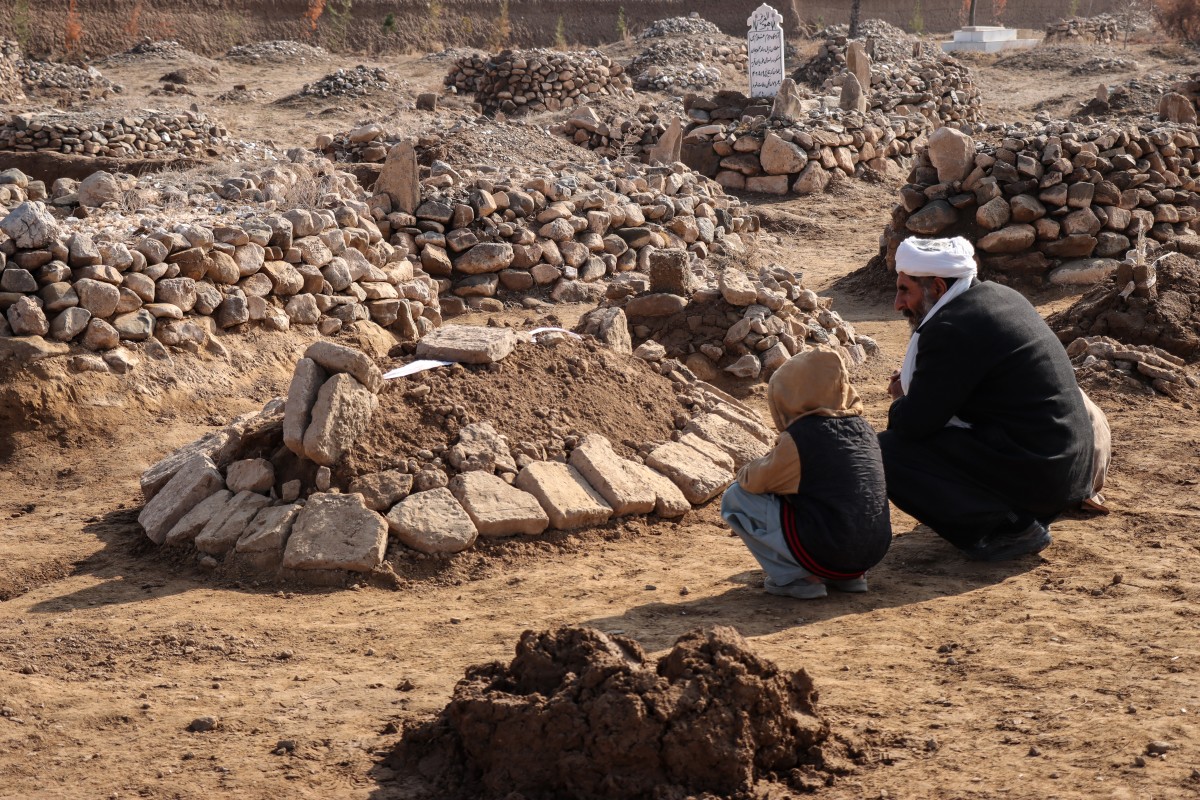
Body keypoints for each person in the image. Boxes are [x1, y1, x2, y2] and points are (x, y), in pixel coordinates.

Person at [879, 236, 1094, 561]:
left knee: (887, 452)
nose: (898, 304)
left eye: (905, 290)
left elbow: (914, 424)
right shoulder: (998, 295)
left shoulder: (951, 327)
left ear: (937, 287)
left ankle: (1011, 527)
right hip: (1066, 472)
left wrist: (900, 400)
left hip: (1042, 475)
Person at [720, 347, 892, 599]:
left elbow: (754, 481)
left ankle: (799, 578)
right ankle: (850, 578)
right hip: (873, 552)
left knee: (735, 497)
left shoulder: (803, 436)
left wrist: (752, 466)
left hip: (827, 552)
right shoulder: (864, 429)